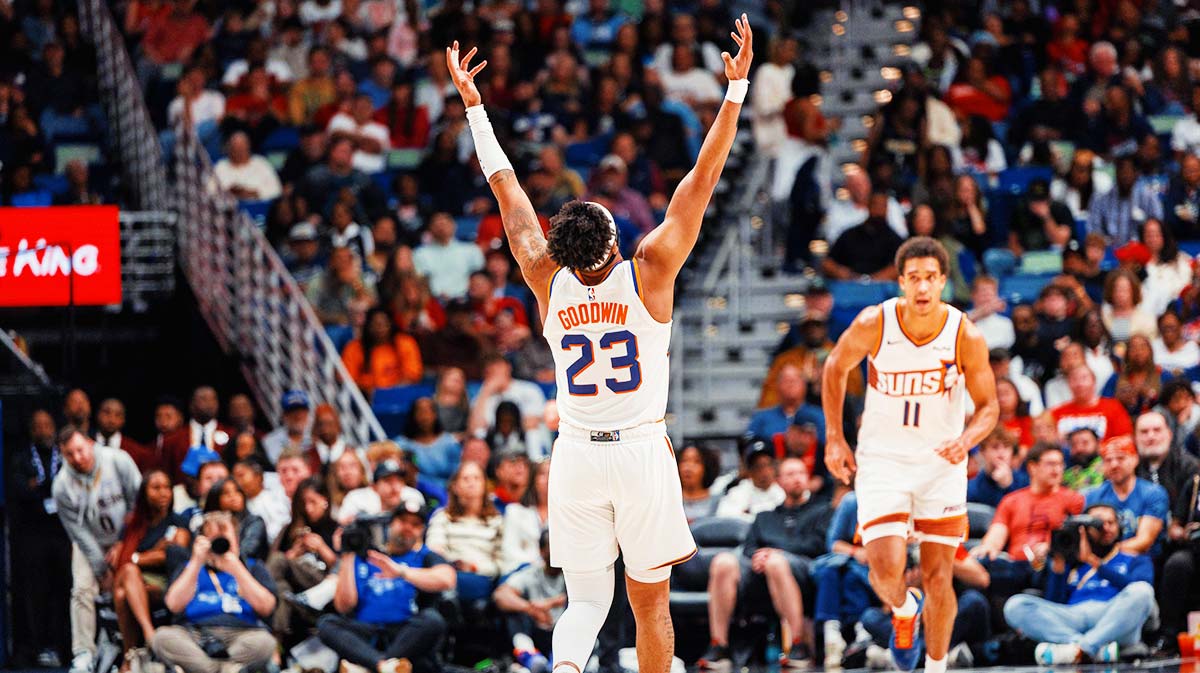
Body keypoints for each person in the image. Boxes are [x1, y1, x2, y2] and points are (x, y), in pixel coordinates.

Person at [447, 15, 752, 672]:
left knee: (583, 602)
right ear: (614, 242)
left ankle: (562, 669)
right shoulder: (650, 268)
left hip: (577, 455)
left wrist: (475, 107)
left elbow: (508, 189)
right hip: (640, 450)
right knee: (650, 608)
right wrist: (735, 92)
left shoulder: (541, 275)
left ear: (562, 249)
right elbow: (700, 180)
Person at [823, 236, 999, 673]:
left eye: (931, 279)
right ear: (901, 282)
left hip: (940, 464)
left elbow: (990, 406)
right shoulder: (874, 323)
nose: (922, 288)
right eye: (914, 279)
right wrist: (834, 437)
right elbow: (835, 366)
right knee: (884, 571)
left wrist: (968, 438)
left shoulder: (965, 334)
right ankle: (903, 610)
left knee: (941, 575)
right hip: (882, 461)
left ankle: (935, 667)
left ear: (943, 282)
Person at [700, 457, 832, 669]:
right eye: (790, 474)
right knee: (723, 562)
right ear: (779, 481)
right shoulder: (765, 517)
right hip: (760, 573)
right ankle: (719, 645)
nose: (797, 479)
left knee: (775, 562)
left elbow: (819, 545)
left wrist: (775, 552)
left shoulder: (822, 510)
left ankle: (799, 644)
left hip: (804, 571)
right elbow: (749, 548)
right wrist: (758, 556)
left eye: (800, 473)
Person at [1003, 504, 1155, 664]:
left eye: (1111, 523)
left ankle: (1082, 648)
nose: (1106, 528)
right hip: (1073, 617)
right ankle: (1090, 648)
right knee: (1015, 605)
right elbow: (1055, 602)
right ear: (1084, 529)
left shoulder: (1135, 559)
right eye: (1098, 524)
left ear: (1119, 527)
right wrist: (1058, 566)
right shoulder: (1072, 561)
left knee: (1142, 590)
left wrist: (1092, 560)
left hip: (1112, 616)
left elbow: (1142, 595)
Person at [318, 501, 455, 673]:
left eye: (415, 525)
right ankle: (384, 666)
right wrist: (347, 554)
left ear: (421, 531)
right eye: (403, 521)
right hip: (365, 631)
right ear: (391, 523)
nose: (407, 528)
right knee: (326, 624)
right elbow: (344, 605)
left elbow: (448, 578)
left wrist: (401, 572)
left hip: (404, 633)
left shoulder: (424, 556)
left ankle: (370, 666)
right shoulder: (366, 555)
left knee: (432, 620)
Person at [53, 426, 143, 673]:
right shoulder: (61, 486)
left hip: (126, 534)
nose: (77, 458)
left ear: (90, 443)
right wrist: (102, 569)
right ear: (63, 455)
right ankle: (83, 653)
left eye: (80, 450)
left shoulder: (117, 460)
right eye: (69, 454)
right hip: (91, 541)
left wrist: (122, 542)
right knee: (81, 589)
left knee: (127, 588)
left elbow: (138, 502)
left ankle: (130, 649)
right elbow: (78, 533)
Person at [152, 512, 277, 673]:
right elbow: (173, 605)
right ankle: (226, 669)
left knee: (265, 642)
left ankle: (204, 670)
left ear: (237, 540)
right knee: (162, 637)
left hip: (242, 634)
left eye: (224, 538)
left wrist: (237, 568)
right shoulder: (189, 567)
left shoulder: (252, 567)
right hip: (194, 634)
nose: (219, 545)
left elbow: (267, 607)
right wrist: (196, 561)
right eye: (214, 539)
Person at [969, 444, 1084, 594]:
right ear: (1032, 467)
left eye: (1060, 464)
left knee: (1052, 564)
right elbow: (997, 533)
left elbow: (1075, 537)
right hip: (1016, 566)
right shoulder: (1012, 500)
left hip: (1049, 562)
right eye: (1050, 464)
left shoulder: (1073, 499)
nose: (1056, 470)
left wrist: (1050, 547)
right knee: (979, 562)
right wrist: (988, 548)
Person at [9, 410, 70, 668]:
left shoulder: (65, 455)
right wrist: (34, 489)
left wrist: (39, 487)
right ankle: (33, 648)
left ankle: (65, 648)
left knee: (64, 591)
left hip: (62, 534)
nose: (44, 430)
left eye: (48, 425)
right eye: (38, 426)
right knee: (35, 593)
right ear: (31, 431)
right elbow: (20, 489)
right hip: (33, 536)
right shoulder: (22, 458)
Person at [112, 469, 190, 663]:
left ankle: (129, 656)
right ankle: (148, 635)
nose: (163, 492)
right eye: (156, 488)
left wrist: (137, 558)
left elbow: (174, 553)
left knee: (123, 594)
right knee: (129, 574)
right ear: (144, 492)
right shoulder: (133, 524)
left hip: (165, 581)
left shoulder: (178, 520)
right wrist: (151, 553)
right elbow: (121, 560)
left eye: (167, 488)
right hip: (135, 579)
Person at [267, 477, 338, 639]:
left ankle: (276, 637)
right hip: (294, 589)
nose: (308, 508)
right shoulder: (290, 530)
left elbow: (341, 568)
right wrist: (294, 553)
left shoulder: (335, 528)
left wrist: (321, 548)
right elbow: (275, 566)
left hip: (324, 583)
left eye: (313, 502)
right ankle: (280, 635)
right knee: (283, 588)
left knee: (279, 561)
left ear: (325, 500)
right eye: (303, 504)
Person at [425, 461, 505, 601]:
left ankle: (448, 600)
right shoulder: (442, 516)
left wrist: (474, 567)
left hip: (482, 575)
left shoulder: (497, 520)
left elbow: (501, 560)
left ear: (484, 485)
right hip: (448, 570)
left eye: (476, 478)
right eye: (465, 479)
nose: (471, 483)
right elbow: (434, 548)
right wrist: (454, 563)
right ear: (455, 486)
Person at [1086, 435, 1170, 557]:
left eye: (1121, 458)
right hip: (1101, 561)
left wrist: (1108, 554)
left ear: (1135, 459)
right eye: (1108, 460)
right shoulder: (1094, 496)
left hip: (1142, 563)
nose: (1114, 464)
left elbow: (1144, 541)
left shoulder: (1153, 493)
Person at [494, 531, 566, 667]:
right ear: (541, 550)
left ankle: (559, 661)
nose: (557, 551)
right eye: (552, 546)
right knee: (515, 614)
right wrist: (530, 608)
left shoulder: (574, 574)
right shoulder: (531, 572)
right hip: (537, 631)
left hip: (564, 632)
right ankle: (531, 658)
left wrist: (549, 604)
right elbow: (500, 595)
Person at [342, 307, 424, 394]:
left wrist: (389, 393)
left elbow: (413, 374)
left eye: (384, 324)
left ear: (391, 324)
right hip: (365, 397)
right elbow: (346, 379)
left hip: (400, 394)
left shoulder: (405, 342)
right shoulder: (354, 348)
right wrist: (366, 389)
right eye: (375, 324)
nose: (380, 328)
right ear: (368, 326)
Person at [715, 441, 785, 522]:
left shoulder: (784, 492)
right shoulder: (738, 492)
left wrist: (749, 513)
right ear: (749, 471)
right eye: (758, 466)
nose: (764, 472)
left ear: (774, 467)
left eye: (767, 465)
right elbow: (723, 518)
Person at [501, 458, 551, 573]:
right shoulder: (514, 511)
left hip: (555, 576)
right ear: (534, 479)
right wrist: (538, 564)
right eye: (543, 474)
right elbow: (509, 550)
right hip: (521, 570)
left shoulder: (566, 514)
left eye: (552, 473)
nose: (548, 479)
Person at [203, 478, 270, 562]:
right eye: (226, 493)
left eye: (237, 491)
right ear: (215, 499)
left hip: (248, 567)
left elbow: (248, 550)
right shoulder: (207, 522)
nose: (233, 496)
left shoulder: (254, 521)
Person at [339, 459, 424, 524]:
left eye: (399, 480)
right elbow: (342, 523)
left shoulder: (413, 496)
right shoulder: (357, 498)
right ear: (374, 487)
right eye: (388, 481)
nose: (394, 487)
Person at [967, 427, 1029, 508]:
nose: (1001, 454)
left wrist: (1008, 486)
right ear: (983, 452)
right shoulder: (972, 487)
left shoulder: (1025, 482)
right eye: (995, 447)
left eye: (1006, 447)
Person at [231, 459, 290, 543]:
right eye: (234, 478)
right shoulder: (241, 508)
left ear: (258, 476)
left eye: (241, 475)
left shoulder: (280, 494)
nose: (237, 482)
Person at [678, 443, 721, 522]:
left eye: (696, 462)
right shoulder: (669, 500)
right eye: (684, 461)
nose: (688, 467)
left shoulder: (719, 502)